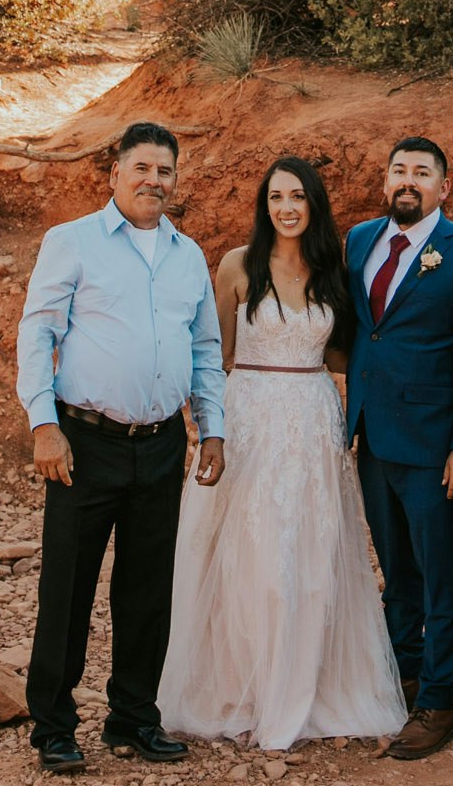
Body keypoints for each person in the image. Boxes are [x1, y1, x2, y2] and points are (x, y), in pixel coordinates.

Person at [160, 157, 406, 749]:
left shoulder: (332, 272)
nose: (287, 208)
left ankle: (307, 683)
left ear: (315, 204)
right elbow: (210, 354)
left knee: (311, 550)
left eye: (298, 197)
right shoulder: (237, 267)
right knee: (249, 551)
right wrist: (207, 428)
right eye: (276, 198)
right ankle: (243, 686)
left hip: (314, 420)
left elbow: (343, 357)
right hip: (249, 417)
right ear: (263, 205)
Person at [16, 120, 226, 774]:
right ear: (114, 173)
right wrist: (42, 422)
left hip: (162, 443)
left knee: (147, 589)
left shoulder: (188, 256)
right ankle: (53, 725)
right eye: (141, 168)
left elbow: (204, 348)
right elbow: (38, 332)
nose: (153, 181)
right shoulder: (72, 242)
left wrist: (211, 426)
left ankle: (134, 718)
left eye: (165, 171)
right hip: (83, 440)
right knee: (68, 587)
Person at [345, 136, 453, 761]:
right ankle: (403, 683)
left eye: (421, 173)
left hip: (435, 448)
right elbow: (364, 333)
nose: (407, 181)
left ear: (444, 187)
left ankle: (439, 703)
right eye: (398, 171)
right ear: (385, 181)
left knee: (439, 574)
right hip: (372, 438)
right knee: (395, 573)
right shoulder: (360, 241)